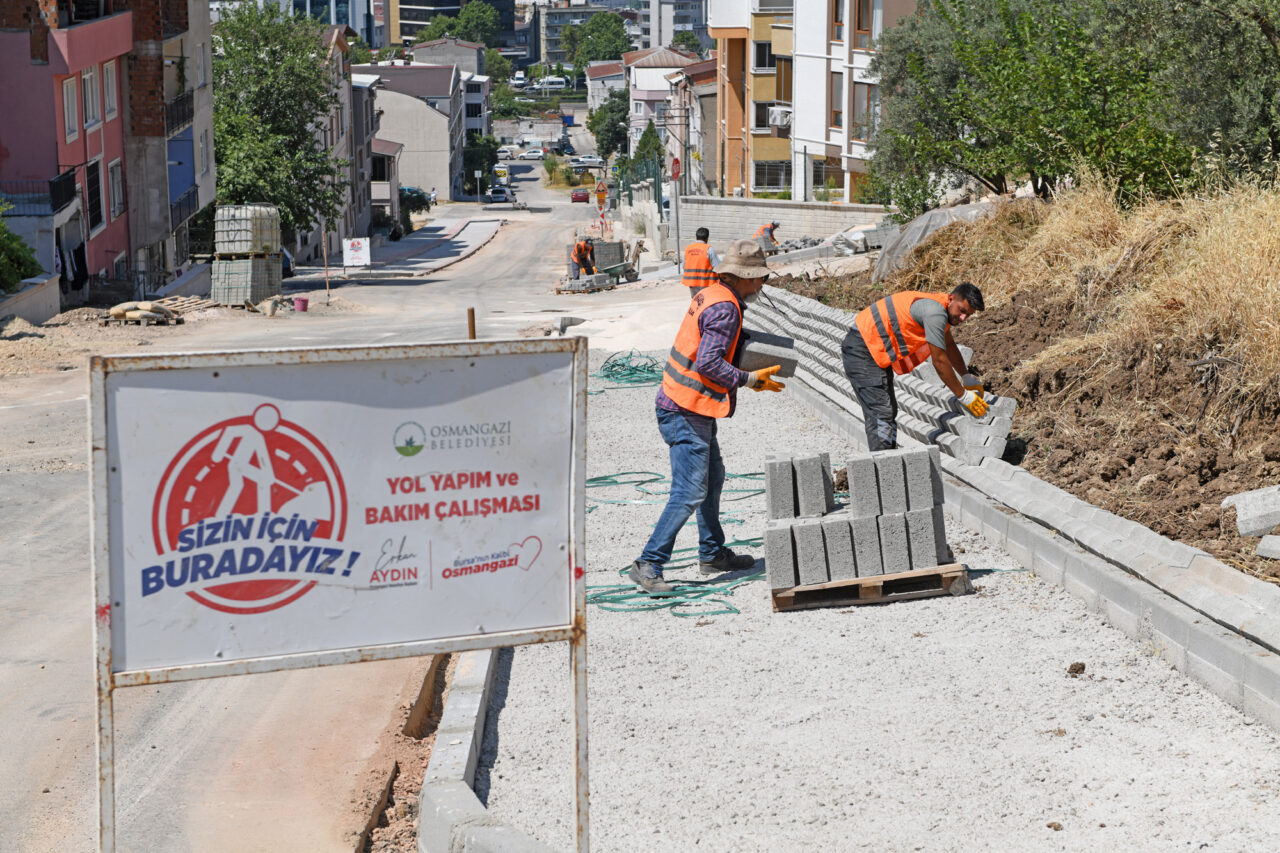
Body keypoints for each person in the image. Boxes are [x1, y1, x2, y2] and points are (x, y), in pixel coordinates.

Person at [628, 239, 786, 593]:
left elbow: (713, 346)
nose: (761, 285)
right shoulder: (725, 309)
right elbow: (709, 363)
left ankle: (712, 553)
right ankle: (648, 563)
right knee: (689, 490)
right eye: (759, 278)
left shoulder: (713, 294)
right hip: (684, 408)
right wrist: (750, 379)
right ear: (745, 277)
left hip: (688, 403)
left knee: (712, 479)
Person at [841, 282, 988, 451]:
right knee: (881, 412)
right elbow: (939, 361)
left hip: (871, 347)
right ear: (951, 298)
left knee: (887, 410)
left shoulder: (940, 306)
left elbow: (948, 345)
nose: (963, 318)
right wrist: (963, 396)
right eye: (962, 311)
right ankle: (884, 461)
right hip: (863, 349)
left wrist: (966, 376)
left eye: (968, 315)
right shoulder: (935, 313)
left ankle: (887, 456)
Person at [681, 227, 721, 293]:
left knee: (696, 299)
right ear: (707, 238)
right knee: (706, 299)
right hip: (706, 283)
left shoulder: (688, 249)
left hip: (692, 283)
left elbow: (683, 266)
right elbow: (717, 267)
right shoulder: (709, 249)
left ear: (696, 237)